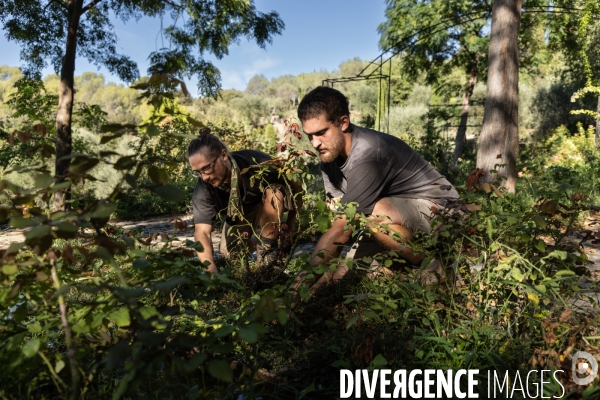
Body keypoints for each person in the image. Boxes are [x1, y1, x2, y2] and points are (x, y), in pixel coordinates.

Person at [293, 86, 459, 302]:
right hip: (392, 217)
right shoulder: (329, 155)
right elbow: (341, 213)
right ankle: (402, 266)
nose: (315, 143)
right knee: (338, 276)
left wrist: (293, 292)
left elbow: (341, 229)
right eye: (310, 136)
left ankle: (429, 264)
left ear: (343, 122)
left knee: (376, 215)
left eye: (321, 132)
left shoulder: (368, 154)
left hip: (442, 208)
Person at [187, 130, 302, 274]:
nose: (204, 177)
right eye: (198, 172)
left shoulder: (258, 162)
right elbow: (202, 232)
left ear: (223, 155)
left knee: (273, 192)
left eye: (206, 168)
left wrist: (290, 225)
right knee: (231, 257)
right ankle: (260, 240)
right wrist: (211, 271)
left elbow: (297, 189)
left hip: (269, 203)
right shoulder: (203, 190)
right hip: (242, 212)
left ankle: (269, 254)